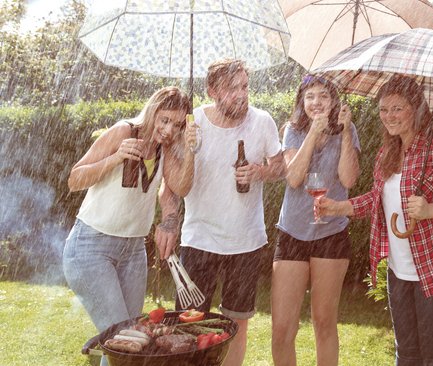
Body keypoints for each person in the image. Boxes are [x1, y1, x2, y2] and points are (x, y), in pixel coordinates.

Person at [317, 75, 433, 366]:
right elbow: (375, 200)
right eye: (384, 109)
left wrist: (430, 210)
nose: (389, 116)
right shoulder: (386, 153)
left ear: (416, 109)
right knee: (408, 355)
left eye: (397, 108)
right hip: (398, 272)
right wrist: (336, 208)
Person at [159, 58, 285, 366]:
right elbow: (171, 184)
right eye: (231, 89)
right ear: (212, 90)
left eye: (244, 86)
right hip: (199, 240)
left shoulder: (262, 121)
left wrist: (260, 172)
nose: (241, 94)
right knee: (190, 323)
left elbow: (281, 167)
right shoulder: (192, 122)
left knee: (236, 325)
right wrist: (168, 221)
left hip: (246, 242)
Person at [63, 86, 197, 366]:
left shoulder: (167, 147)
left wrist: (191, 149)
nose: (169, 129)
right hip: (90, 249)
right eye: (164, 120)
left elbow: (181, 187)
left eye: (177, 124)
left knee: (126, 344)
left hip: (133, 251)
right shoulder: (123, 132)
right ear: (152, 111)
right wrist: (116, 158)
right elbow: (74, 179)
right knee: (126, 342)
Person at [271, 74, 360, 366]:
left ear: (333, 100)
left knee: (324, 322)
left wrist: (345, 133)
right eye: (310, 96)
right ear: (302, 101)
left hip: (331, 234)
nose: (316, 102)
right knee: (282, 327)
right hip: (293, 232)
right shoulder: (293, 131)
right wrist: (312, 132)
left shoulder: (348, 130)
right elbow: (294, 178)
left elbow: (349, 179)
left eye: (323, 95)